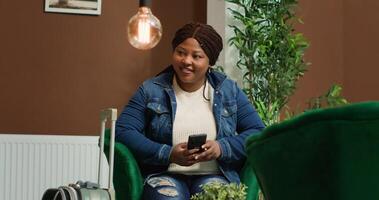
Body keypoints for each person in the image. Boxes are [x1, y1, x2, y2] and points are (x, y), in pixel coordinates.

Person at [116, 22, 265, 200]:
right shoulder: (150, 90)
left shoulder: (228, 90)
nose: (186, 61)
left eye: (197, 56)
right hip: (164, 175)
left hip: (216, 176)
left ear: (210, 62)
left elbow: (258, 132)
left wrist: (221, 148)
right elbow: (123, 131)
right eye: (181, 53)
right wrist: (168, 153)